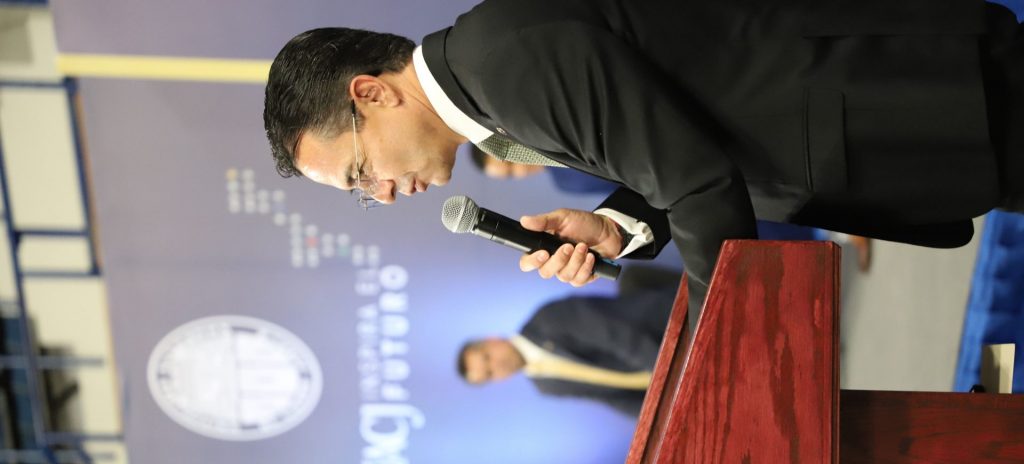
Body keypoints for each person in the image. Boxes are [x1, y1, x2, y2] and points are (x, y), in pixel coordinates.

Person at [264, 0, 1023, 320]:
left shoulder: (505, 66)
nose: (382, 194)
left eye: (360, 172)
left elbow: (695, 182)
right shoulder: (488, 83)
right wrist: (615, 227)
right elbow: (674, 144)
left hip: (915, 99)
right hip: (901, 126)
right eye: (361, 194)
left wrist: (716, 347)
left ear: (373, 93)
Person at [469, 149, 874, 271]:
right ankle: (835, 233)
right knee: (761, 224)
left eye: (508, 162)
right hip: (653, 206)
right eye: (509, 175)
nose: (517, 169)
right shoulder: (563, 183)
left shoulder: (559, 148)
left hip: (667, 172)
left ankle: (844, 220)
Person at [457, 285, 676, 415]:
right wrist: (655, 419)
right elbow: (611, 396)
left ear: (492, 340)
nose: (496, 365)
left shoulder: (546, 320)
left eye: (487, 358)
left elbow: (620, 338)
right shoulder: (544, 386)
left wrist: (669, 377)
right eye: (490, 373)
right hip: (667, 379)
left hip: (671, 327)